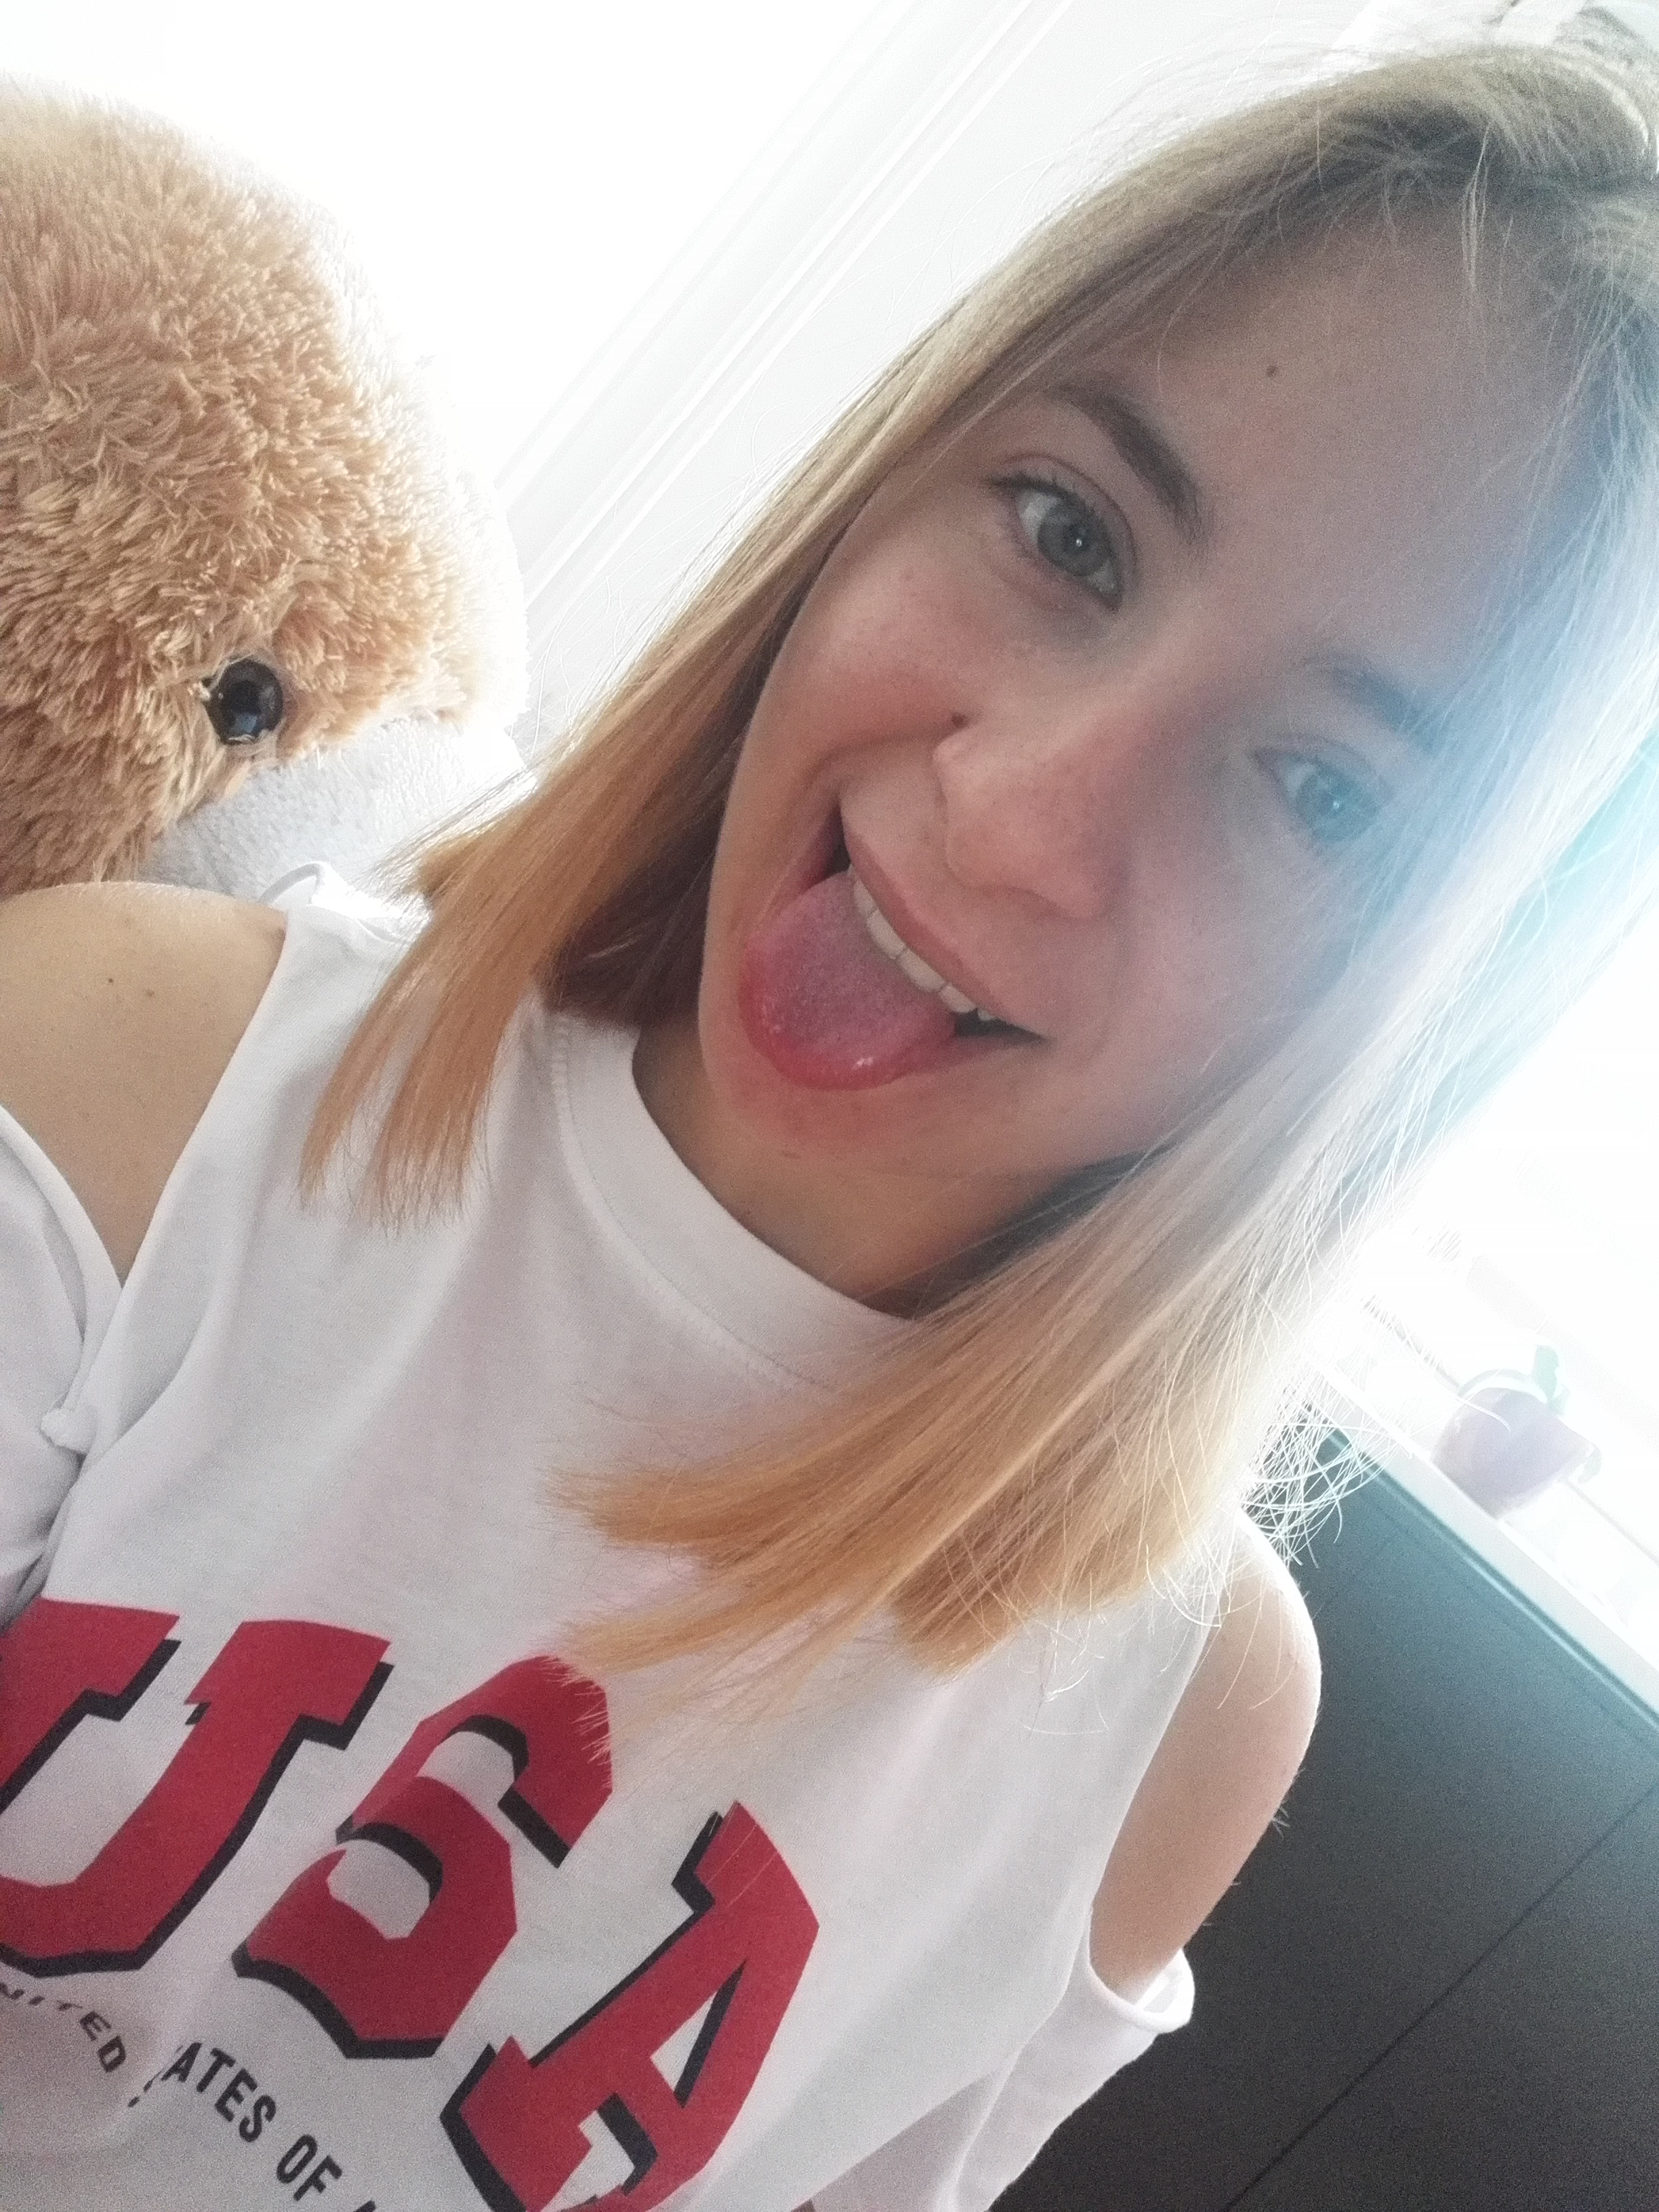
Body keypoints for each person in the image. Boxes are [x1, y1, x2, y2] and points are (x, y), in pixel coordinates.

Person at [1, 28, 1657, 2212]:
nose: (1015, 816)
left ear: (1432, 1013)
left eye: (1327, 794)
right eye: (1069, 532)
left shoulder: (1166, 1729)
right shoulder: (126, 1074)